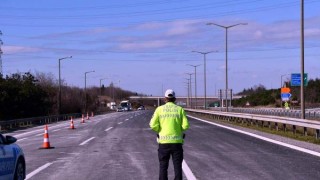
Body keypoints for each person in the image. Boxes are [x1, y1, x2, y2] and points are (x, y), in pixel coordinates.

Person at [149, 89, 189, 180]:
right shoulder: (180, 110)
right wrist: (178, 129)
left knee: (163, 167)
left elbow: (152, 125)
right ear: (175, 99)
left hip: (163, 143)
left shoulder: (159, 109)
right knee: (177, 167)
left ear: (164, 99)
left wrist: (159, 130)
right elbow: (186, 125)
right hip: (177, 143)